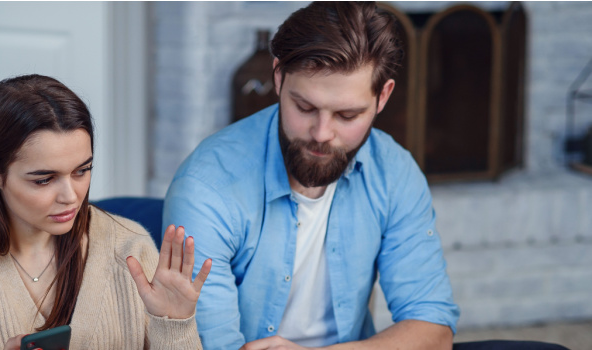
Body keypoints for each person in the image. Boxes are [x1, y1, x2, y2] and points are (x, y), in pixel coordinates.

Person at [163, 2, 457, 349]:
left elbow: (434, 330)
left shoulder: (394, 171)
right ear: (278, 77)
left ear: (383, 97)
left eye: (347, 115)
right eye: (304, 108)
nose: (321, 133)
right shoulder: (207, 187)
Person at [0, 74, 212, 350]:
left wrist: (175, 323)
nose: (71, 196)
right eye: (44, 179)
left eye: (81, 171)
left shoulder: (131, 246)